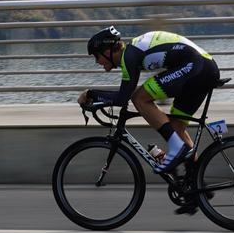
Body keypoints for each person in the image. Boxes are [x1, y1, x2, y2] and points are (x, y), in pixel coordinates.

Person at [78, 26, 220, 174]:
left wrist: (90, 94)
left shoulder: (129, 56)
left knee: (139, 98)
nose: (97, 61)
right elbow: (122, 96)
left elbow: (122, 98)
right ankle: (195, 182)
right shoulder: (131, 53)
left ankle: (176, 147)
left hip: (197, 66)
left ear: (107, 51)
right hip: (204, 67)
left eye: (96, 56)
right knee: (176, 128)